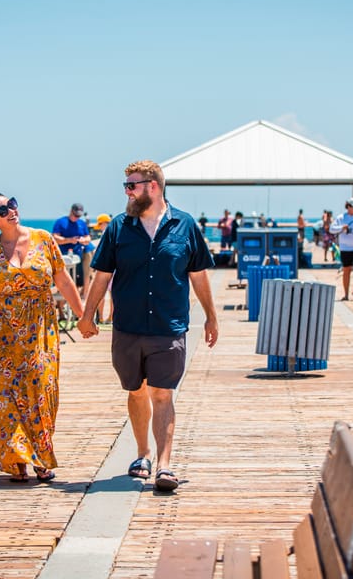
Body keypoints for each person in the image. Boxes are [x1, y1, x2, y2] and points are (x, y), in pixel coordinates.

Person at [77, 160, 218, 493]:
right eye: (126, 186)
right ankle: (142, 454)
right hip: (127, 327)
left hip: (169, 328)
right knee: (136, 390)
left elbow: (198, 274)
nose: (127, 192)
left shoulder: (184, 225)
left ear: (152, 186)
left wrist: (212, 316)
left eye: (132, 186)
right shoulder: (118, 228)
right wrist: (88, 314)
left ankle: (165, 465)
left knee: (162, 393)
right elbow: (102, 275)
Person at [0, 193, 85, 483]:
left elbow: (62, 279)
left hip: (41, 331)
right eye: (2, 209)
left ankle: (42, 457)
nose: (11, 210)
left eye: (11, 203)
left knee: (41, 393)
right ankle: (18, 461)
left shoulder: (44, 239)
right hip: (4, 335)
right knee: (7, 397)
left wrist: (83, 316)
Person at [53, 203, 95, 294]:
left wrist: (83, 240)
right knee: (67, 279)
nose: (77, 218)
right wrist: (69, 240)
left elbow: (88, 238)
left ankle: (85, 294)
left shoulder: (81, 223)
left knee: (86, 275)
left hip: (81, 253)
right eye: (75, 215)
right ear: (71, 211)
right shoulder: (61, 222)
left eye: (78, 216)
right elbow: (55, 238)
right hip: (66, 254)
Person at [87, 213, 114, 323]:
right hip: (115, 268)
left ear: (104, 224)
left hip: (106, 268)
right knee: (113, 295)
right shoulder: (115, 231)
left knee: (102, 293)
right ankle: (110, 317)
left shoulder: (105, 234)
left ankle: (102, 318)